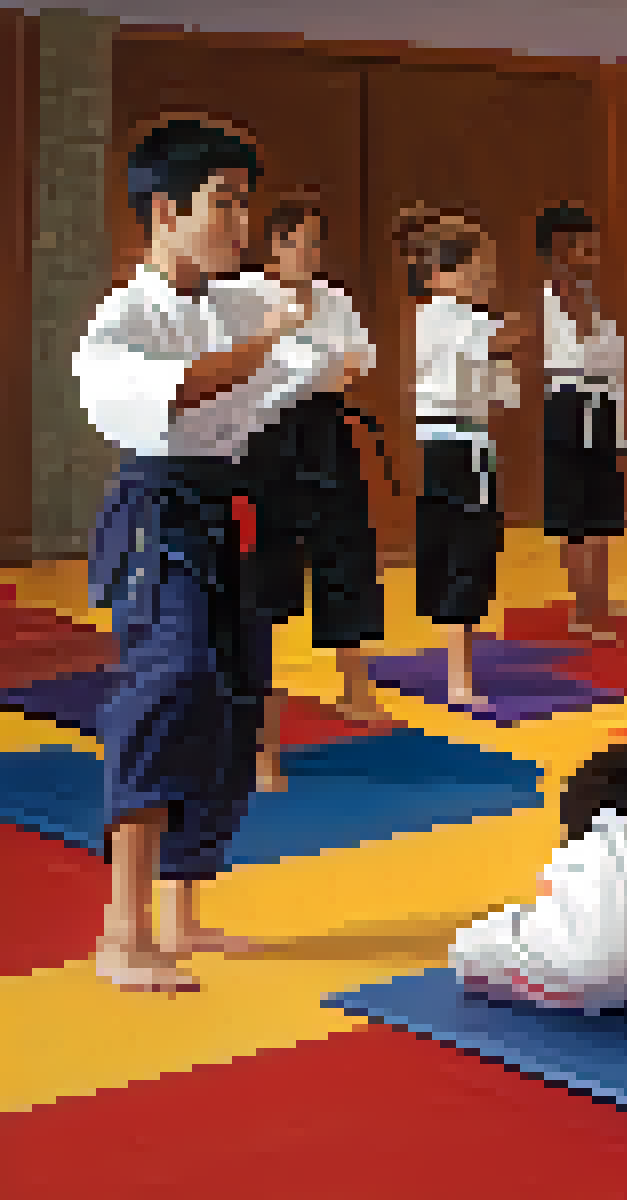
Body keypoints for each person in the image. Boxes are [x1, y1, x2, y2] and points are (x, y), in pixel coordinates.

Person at [77, 119, 319, 991]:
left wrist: (297, 338)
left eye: (245, 201)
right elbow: (183, 391)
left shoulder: (233, 302)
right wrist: (273, 341)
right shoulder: (123, 317)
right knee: (169, 681)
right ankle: (122, 930)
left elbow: (304, 369)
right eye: (224, 202)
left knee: (233, 699)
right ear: (165, 211)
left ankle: (183, 911)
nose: (242, 222)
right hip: (158, 509)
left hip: (228, 505)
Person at [216, 189, 388, 797]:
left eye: (317, 242)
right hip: (264, 443)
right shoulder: (245, 299)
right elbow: (258, 375)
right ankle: (260, 740)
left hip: (326, 432)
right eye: (301, 241)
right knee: (265, 576)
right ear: (274, 245)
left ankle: (355, 687)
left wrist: (304, 370)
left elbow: (355, 366)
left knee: (347, 553)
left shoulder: (335, 300)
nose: (311, 252)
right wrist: (309, 369)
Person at [450, 745, 627, 1012]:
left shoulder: (577, 850)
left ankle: (537, 981)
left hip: (583, 980)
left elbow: (546, 902)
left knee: (469, 945)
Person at [396, 206, 530, 712]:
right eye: (479, 271)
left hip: (464, 446)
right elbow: (497, 340)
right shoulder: (437, 315)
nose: (487, 281)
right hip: (454, 448)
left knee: (468, 550)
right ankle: (458, 676)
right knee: (463, 552)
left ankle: (459, 667)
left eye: (489, 273)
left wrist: (502, 352)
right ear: (441, 274)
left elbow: (503, 391)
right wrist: (510, 333)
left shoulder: (467, 321)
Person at [536, 204, 627, 643]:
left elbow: (610, 360)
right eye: (579, 243)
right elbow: (579, 358)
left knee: (602, 506)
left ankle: (599, 598)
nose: (590, 250)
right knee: (576, 510)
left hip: (602, 402)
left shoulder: (588, 294)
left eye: (591, 242)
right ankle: (584, 608)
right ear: (558, 250)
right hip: (571, 405)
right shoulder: (553, 294)